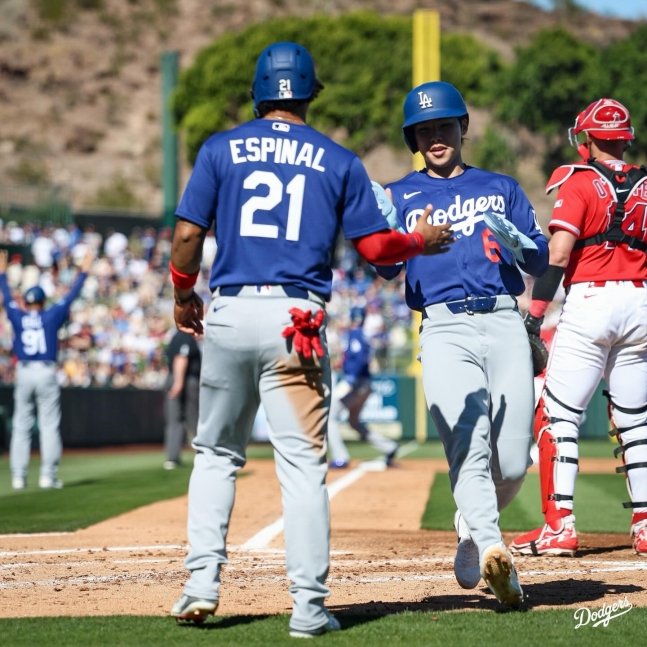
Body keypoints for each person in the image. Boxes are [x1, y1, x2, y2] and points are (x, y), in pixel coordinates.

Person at [167, 42, 453, 636]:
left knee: (217, 455)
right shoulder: (338, 159)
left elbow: (189, 236)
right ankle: (308, 607)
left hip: (231, 310)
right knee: (301, 468)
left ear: (259, 90)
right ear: (307, 92)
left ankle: (199, 585)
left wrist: (181, 294)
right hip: (297, 320)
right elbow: (377, 250)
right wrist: (419, 242)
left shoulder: (220, 148)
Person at [374, 81, 549, 607]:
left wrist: (521, 244)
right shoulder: (399, 195)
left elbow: (539, 260)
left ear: (463, 127)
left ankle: (471, 525)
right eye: (424, 130)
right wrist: (393, 230)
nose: (435, 137)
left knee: (515, 461)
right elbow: (381, 265)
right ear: (413, 137)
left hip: (503, 321)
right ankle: (497, 554)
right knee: (468, 447)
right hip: (445, 328)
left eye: (444, 126)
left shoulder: (503, 187)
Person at [510, 99, 647, 558]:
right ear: (625, 138)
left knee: (557, 413)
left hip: (592, 301)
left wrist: (534, 314)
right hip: (641, 301)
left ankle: (559, 527)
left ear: (586, 140)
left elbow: (559, 253)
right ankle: (646, 527)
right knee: (636, 421)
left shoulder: (580, 181)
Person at [0, 247, 94, 490]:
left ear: (27, 301)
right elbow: (71, 295)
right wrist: (83, 271)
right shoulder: (50, 315)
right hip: (46, 370)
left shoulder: (18, 315)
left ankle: (19, 477)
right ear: (42, 301)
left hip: (24, 371)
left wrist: (2, 275)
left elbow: (8, 299)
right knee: (49, 425)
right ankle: (47, 476)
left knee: (21, 425)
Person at [327, 306, 398, 468]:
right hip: (365, 383)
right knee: (354, 422)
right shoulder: (364, 334)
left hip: (357, 383)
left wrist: (351, 377)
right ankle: (389, 447)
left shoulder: (355, 333)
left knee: (330, 416)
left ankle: (340, 457)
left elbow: (358, 357)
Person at [163, 329, 202, 470]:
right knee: (194, 418)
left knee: (174, 420)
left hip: (172, 378)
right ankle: (205, 454)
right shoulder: (185, 336)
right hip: (185, 380)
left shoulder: (175, 335)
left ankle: (172, 458)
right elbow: (181, 358)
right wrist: (179, 382)